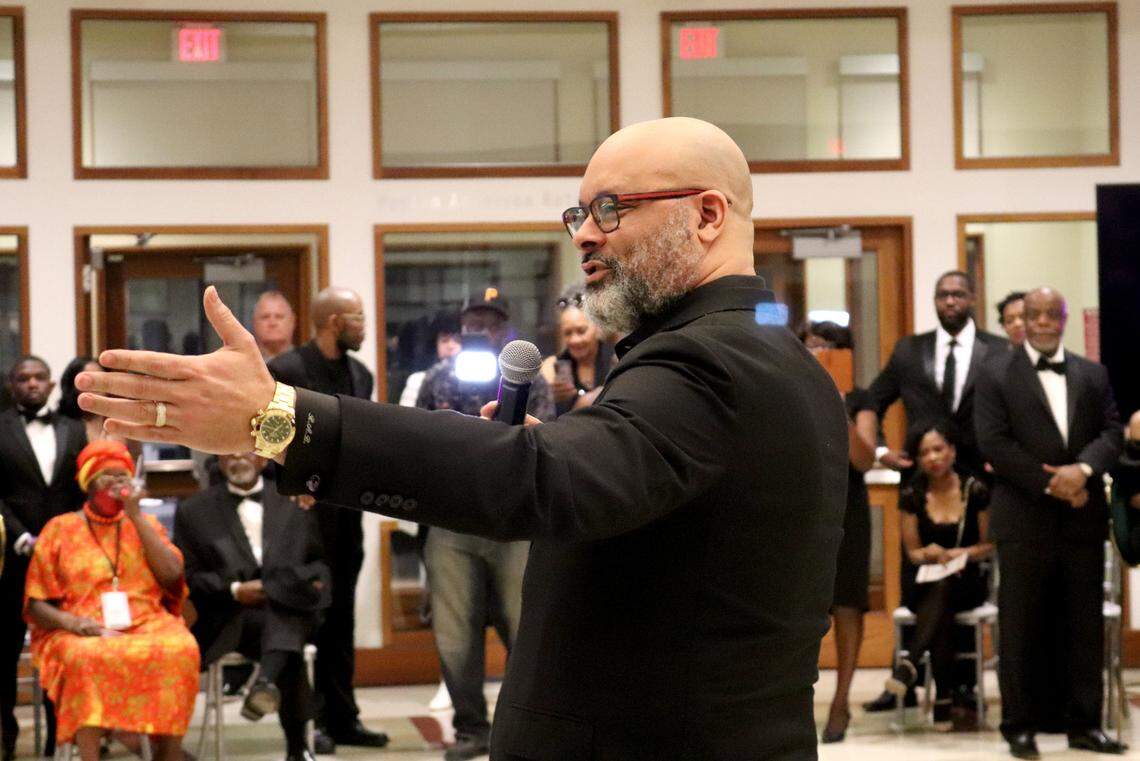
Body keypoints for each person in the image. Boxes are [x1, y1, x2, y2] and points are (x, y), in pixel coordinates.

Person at [74, 116, 850, 760]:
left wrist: (279, 417)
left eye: (611, 209)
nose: (586, 237)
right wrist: (566, 441)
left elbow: (544, 480)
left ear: (707, 214)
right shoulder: (783, 365)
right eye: (577, 215)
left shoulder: (702, 358)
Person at [976, 286, 1126, 759]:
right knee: (1020, 627)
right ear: (1022, 319)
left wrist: (1081, 471)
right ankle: (1019, 726)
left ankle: (1085, 723)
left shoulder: (1093, 372)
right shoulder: (994, 372)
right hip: (1023, 518)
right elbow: (994, 443)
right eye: (1032, 314)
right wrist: (1052, 484)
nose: (1041, 322)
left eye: (1050, 314)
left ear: (1063, 318)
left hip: (1082, 519)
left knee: (1084, 626)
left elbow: (1113, 431)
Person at [414, 288, 553, 760]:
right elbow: (417, 444)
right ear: (461, 328)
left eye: (491, 323)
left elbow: (547, 445)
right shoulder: (436, 379)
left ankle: (524, 725)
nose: (482, 331)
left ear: (505, 330)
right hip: (453, 519)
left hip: (513, 521)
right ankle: (471, 726)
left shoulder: (531, 379)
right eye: (474, 322)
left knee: (525, 625)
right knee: (454, 633)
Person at [863, 270, 1007, 714]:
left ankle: (951, 689)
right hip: (921, 488)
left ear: (972, 299)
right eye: (942, 295)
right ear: (934, 300)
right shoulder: (910, 350)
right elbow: (872, 398)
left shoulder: (998, 351)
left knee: (961, 581)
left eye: (958, 294)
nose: (950, 301)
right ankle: (917, 684)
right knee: (921, 583)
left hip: (976, 487)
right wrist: (881, 451)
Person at [23, 440, 199, 761]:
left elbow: (174, 577)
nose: (119, 485)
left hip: (147, 623)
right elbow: (35, 603)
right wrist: (73, 623)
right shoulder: (60, 529)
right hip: (83, 627)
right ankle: (91, 754)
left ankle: (168, 754)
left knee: (181, 647)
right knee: (85, 657)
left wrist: (137, 518)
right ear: (89, 483)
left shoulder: (147, 526)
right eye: (110, 477)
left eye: (124, 477)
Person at [266, 287, 387, 751]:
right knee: (310, 614)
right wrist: (293, 480)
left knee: (342, 617)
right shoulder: (288, 369)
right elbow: (270, 432)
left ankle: (343, 716)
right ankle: (312, 718)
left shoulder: (361, 373)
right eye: (358, 317)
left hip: (346, 510)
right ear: (335, 321)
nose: (363, 326)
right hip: (302, 514)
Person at [175, 453, 330, 761]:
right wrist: (234, 590)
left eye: (245, 451)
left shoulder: (294, 501)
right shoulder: (194, 510)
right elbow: (189, 577)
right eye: (228, 454)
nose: (237, 459)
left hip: (288, 606)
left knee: (283, 614)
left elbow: (316, 563)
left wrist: (277, 588)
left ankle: (265, 683)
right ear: (218, 461)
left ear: (261, 459)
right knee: (289, 648)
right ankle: (296, 746)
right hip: (232, 618)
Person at [0, 356, 87, 761]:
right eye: (23, 378)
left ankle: (59, 744)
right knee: (3, 653)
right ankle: (6, 736)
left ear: (52, 384)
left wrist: (66, 541)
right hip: (10, 561)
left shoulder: (73, 431)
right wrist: (20, 537)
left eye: (39, 378)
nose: (32, 384)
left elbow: (80, 493)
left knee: (61, 652)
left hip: (63, 561)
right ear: (12, 385)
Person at [884, 423, 992, 731]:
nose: (932, 457)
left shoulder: (975, 489)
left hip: (967, 578)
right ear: (917, 460)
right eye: (924, 453)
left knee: (944, 591)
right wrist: (930, 552)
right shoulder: (912, 494)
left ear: (952, 451)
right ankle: (942, 698)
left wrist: (962, 554)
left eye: (938, 449)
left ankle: (910, 664)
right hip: (925, 579)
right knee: (939, 598)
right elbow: (912, 552)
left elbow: (989, 545)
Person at [797, 321, 876, 744]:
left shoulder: (860, 399)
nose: (819, 354)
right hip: (803, 504)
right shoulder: (790, 392)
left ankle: (842, 700)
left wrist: (838, 405)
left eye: (828, 348)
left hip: (849, 505)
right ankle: (797, 701)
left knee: (848, 603)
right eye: (810, 347)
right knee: (801, 602)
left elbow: (864, 459)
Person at [540, 285, 613, 417]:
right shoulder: (554, 367)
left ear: (596, 326)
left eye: (581, 331)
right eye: (568, 333)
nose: (575, 340)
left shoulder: (617, 358)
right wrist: (548, 392)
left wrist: (592, 398)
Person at [399, 310, 461, 408]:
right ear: (435, 344)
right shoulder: (417, 381)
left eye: (457, 340)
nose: (451, 346)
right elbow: (405, 419)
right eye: (444, 340)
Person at [253, 291, 297, 362]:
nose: (272, 323)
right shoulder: (242, 366)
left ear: (292, 321)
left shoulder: (308, 365)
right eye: (265, 317)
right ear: (254, 323)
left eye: (279, 317)